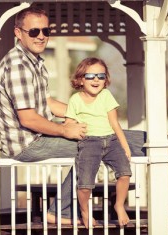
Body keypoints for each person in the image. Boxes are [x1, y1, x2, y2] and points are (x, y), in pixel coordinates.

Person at [0, 6, 168, 225]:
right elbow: (28, 119)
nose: (41, 37)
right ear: (18, 33)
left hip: (38, 135)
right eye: (34, 32)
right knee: (95, 143)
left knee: (96, 137)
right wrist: (65, 129)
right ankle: (164, 144)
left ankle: (60, 211)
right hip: (27, 143)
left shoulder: (34, 62)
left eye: (45, 31)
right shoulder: (18, 65)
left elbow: (47, 103)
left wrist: (83, 113)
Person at [65, 57, 132, 227]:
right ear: (81, 79)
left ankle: (119, 205)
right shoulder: (75, 100)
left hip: (111, 140)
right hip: (89, 143)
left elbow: (115, 123)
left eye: (101, 76)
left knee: (125, 173)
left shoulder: (106, 95)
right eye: (91, 76)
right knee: (85, 184)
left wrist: (125, 146)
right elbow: (69, 124)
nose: (96, 79)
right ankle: (85, 212)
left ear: (105, 80)